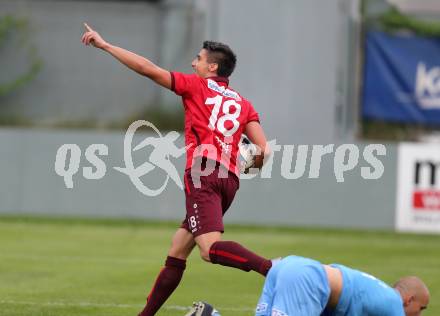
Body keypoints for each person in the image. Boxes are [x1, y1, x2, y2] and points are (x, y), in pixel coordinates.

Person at [81, 23, 273, 316]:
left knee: (209, 250)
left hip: (203, 174)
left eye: (198, 58)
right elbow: (264, 150)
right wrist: (254, 164)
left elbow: (146, 68)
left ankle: (273, 269)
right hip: (229, 180)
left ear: (211, 67)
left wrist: (106, 46)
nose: (192, 62)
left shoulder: (194, 85)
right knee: (179, 248)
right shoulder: (243, 104)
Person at [255, 255, 430, 316]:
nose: (419, 314)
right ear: (409, 300)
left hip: (287, 266)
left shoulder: (376, 295)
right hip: (306, 277)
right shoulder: (394, 304)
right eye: (421, 308)